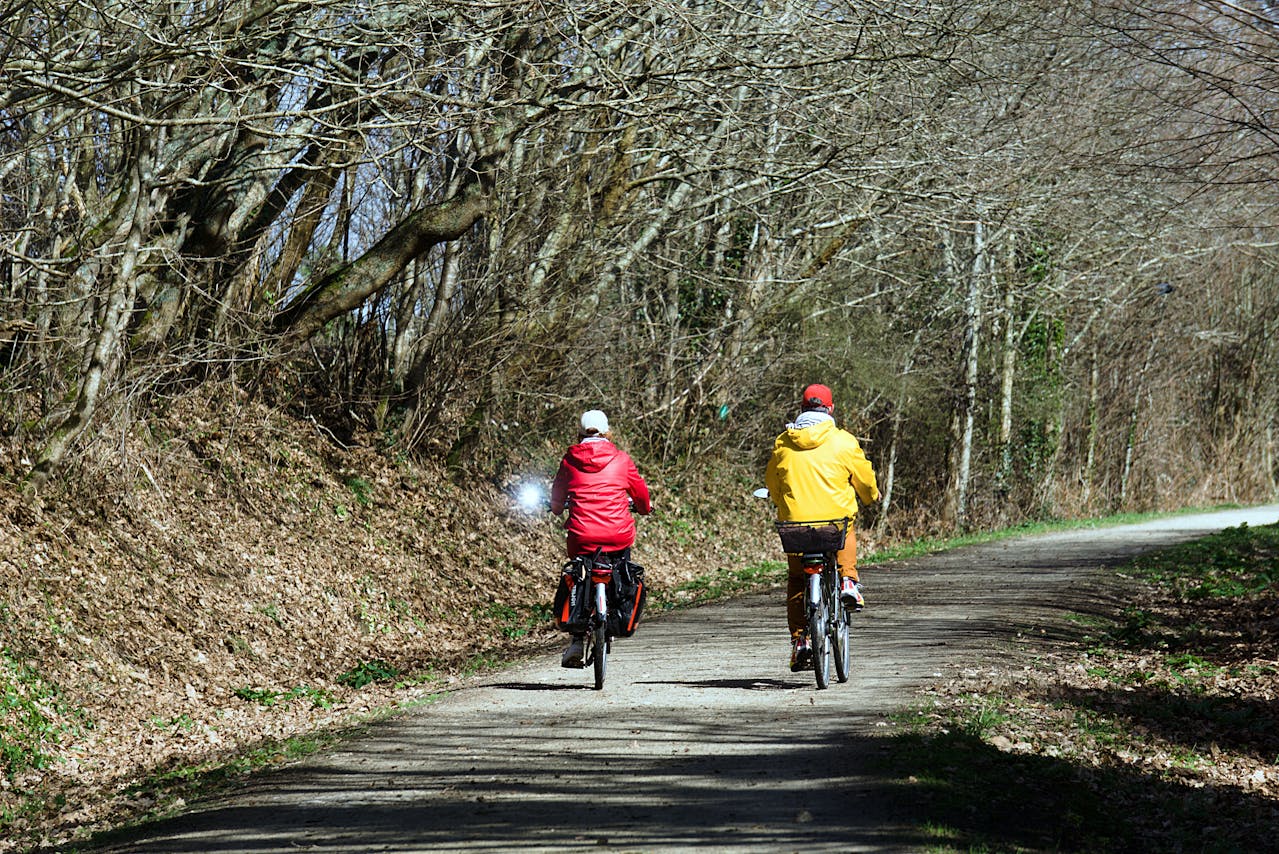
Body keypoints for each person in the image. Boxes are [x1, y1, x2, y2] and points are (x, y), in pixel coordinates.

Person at [765, 383, 879, 672]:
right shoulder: (843, 441)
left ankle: (800, 640)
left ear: (802, 409)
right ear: (830, 409)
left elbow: (773, 483)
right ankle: (848, 580)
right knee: (846, 525)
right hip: (833, 526)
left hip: (796, 528)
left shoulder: (783, 442)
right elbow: (865, 481)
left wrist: (780, 501)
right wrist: (870, 496)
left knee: (797, 579)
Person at [550, 409, 652, 667]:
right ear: (608, 433)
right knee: (621, 570)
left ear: (579, 433)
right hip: (617, 535)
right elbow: (640, 494)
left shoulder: (569, 461)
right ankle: (615, 615)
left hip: (582, 537)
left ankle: (576, 640)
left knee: (578, 575)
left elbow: (557, 499)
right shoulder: (621, 460)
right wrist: (643, 508)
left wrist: (557, 507)